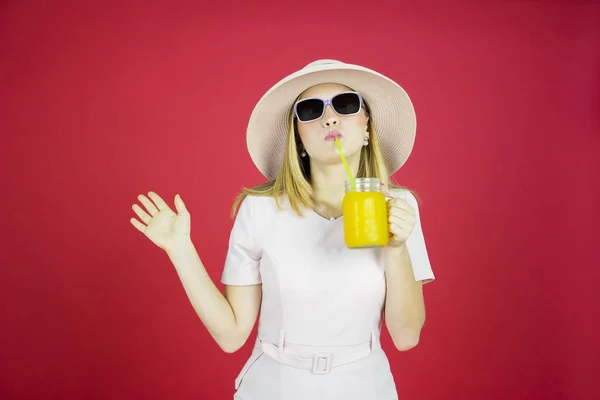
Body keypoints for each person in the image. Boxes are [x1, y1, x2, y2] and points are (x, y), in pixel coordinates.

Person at [130, 59, 435, 399]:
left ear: (367, 126)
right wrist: (181, 250)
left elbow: (406, 336)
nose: (329, 118)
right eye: (310, 111)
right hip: (274, 387)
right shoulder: (261, 209)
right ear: (299, 138)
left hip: (365, 386)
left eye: (346, 105)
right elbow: (231, 336)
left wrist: (396, 248)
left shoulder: (397, 205)